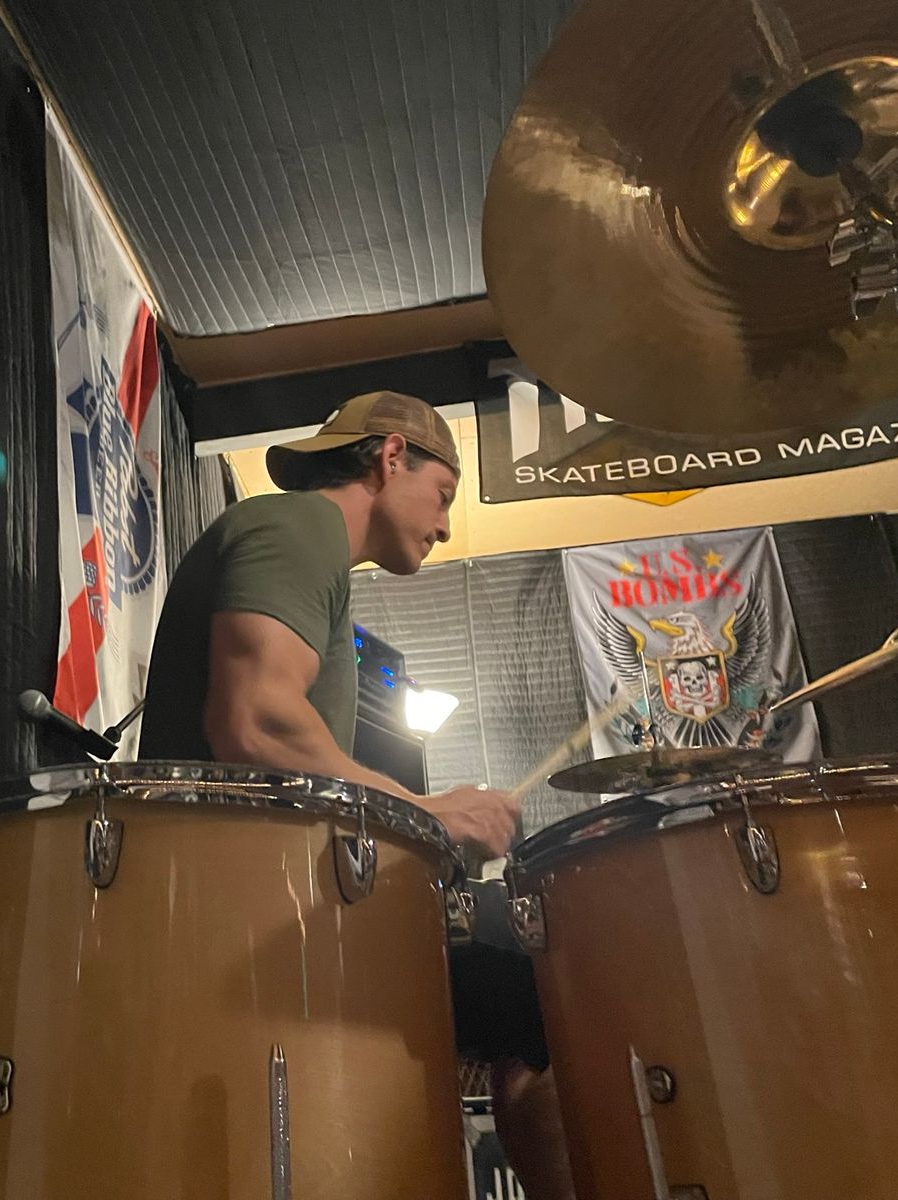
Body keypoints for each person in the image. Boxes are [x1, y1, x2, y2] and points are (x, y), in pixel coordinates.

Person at [139, 389, 576, 1200]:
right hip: (239, 922)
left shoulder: (313, 559)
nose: (445, 527)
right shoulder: (297, 525)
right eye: (443, 495)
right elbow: (256, 723)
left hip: (254, 913)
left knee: (521, 1003)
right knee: (551, 1000)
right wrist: (429, 814)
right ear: (389, 457)